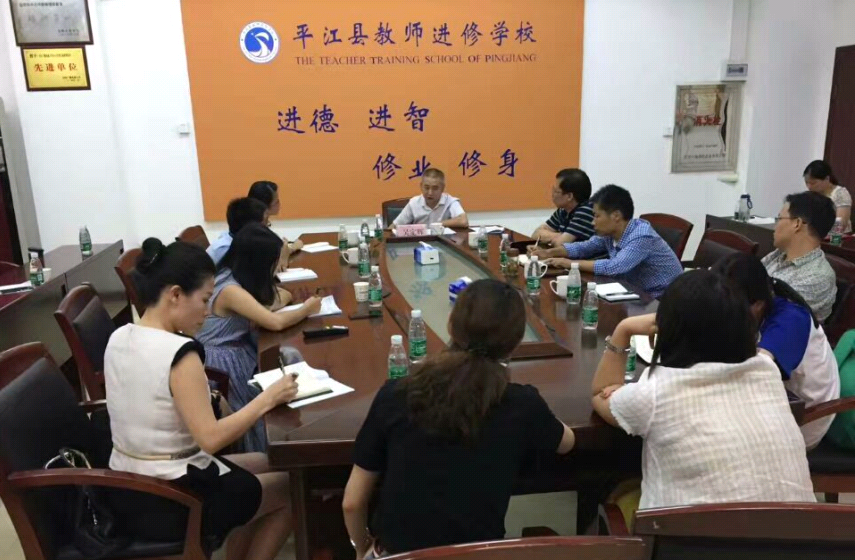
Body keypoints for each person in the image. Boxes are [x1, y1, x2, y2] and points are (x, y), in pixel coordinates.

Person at [342, 279, 574, 557]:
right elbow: (567, 443)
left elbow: (352, 503)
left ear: (451, 326)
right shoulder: (522, 404)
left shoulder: (398, 393)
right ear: (515, 342)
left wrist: (362, 546)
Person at [105, 238, 298, 560]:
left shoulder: (119, 336)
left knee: (269, 462)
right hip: (173, 497)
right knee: (293, 486)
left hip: (127, 485)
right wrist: (267, 399)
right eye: (205, 300)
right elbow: (211, 439)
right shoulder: (181, 353)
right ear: (175, 294)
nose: (208, 312)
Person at [590, 270, 815, 523]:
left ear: (669, 329)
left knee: (618, 487)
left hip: (695, 541)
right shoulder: (766, 370)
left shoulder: (656, 391)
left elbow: (601, 391)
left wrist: (623, 330)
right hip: (799, 535)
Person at [196, 223, 322, 452]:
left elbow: (276, 299)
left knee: (288, 358)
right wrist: (307, 309)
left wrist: (275, 303)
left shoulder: (236, 277)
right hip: (223, 362)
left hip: (238, 349)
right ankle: (269, 450)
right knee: (272, 396)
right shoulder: (230, 289)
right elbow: (275, 321)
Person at [713, 253, 840, 448]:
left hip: (804, 418)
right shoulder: (755, 304)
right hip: (774, 401)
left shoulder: (791, 318)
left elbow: (756, 371)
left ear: (758, 304)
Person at [539, 185, 682, 298]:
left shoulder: (641, 236)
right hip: (633, 292)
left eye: (597, 216)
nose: (593, 222)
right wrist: (550, 253)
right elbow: (585, 247)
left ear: (616, 216)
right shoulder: (609, 233)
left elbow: (614, 266)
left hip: (662, 299)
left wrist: (569, 263)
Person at [762, 191, 837, 322]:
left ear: (796, 223)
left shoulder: (818, 276)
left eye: (779, 219)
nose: (775, 226)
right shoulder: (778, 254)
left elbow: (764, 310)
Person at [531, 168, 596, 246]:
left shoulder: (586, 211)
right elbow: (535, 235)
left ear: (569, 196)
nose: (552, 195)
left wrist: (556, 237)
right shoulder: (563, 210)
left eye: (556, 191)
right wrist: (561, 235)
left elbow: (560, 244)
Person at [391, 168, 469, 228]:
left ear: (442, 188)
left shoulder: (450, 201)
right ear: (421, 186)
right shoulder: (414, 203)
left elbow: (463, 221)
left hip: (443, 241)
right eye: (426, 188)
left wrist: (438, 224)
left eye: (435, 188)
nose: (430, 193)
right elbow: (394, 226)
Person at [207, 197, 267, 266]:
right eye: (265, 223)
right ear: (250, 227)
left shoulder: (236, 239)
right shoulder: (225, 249)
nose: (267, 229)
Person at [248, 180, 304, 254]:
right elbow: (272, 254)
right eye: (276, 201)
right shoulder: (254, 231)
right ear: (265, 207)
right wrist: (293, 247)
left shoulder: (255, 223)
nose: (279, 204)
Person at [804, 160, 850, 233]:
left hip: (836, 237)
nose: (809, 187)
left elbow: (841, 224)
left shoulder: (840, 193)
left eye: (813, 183)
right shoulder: (811, 195)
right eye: (807, 183)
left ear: (827, 179)